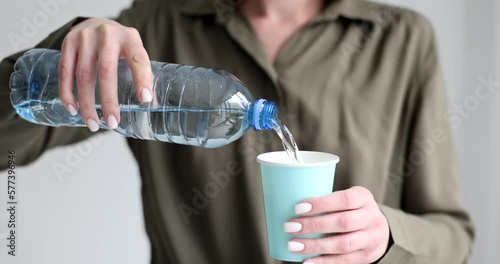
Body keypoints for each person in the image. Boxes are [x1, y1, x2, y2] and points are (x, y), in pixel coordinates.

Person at [0, 0, 474, 263]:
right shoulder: (154, 25)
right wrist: (65, 52)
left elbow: (453, 237)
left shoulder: (402, 39)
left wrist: (385, 236)